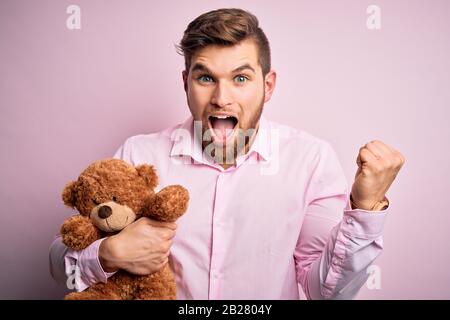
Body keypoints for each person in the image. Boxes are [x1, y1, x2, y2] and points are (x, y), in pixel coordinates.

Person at [49, 8, 405, 299]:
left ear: (267, 86)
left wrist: (364, 210)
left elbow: (325, 291)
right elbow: (58, 260)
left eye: (240, 78)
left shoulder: (310, 160)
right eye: (206, 78)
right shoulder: (139, 153)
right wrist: (107, 255)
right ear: (186, 82)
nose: (221, 98)